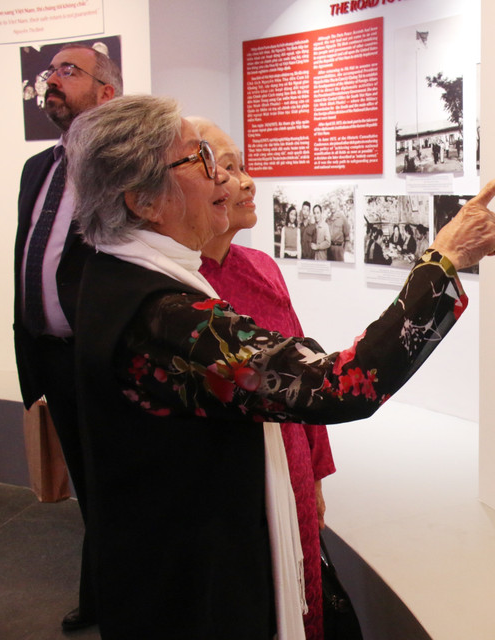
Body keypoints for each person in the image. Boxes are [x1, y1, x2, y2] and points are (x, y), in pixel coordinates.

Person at [65, 94, 495, 639]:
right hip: (191, 588)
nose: (224, 181)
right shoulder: (164, 318)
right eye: (202, 162)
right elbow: (340, 385)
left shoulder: (118, 275)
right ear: (144, 201)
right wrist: (443, 261)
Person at [192, 117, 336, 639]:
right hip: (237, 484)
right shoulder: (180, 289)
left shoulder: (261, 267)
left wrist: (316, 471)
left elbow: (310, 378)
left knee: (302, 598)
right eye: (227, 169)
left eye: (244, 166)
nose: (249, 181)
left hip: (290, 460)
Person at [13, 42, 122, 633]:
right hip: (48, 355)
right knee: (87, 483)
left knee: (111, 482)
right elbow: (24, 259)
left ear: (107, 93)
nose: (52, 80)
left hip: (95, 357)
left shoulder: (122, 167)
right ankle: (101, 594)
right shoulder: (38, 168)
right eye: (50, 71)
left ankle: (121, 597)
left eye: (68, 71)